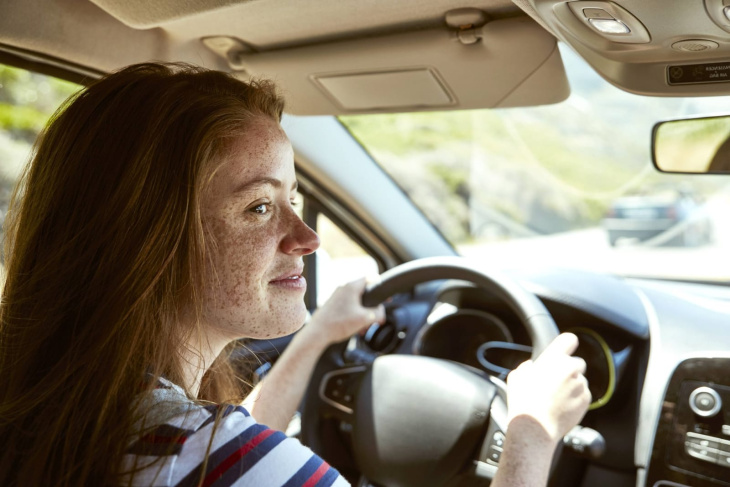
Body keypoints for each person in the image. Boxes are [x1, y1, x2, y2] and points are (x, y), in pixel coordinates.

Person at [0, 63, 590, 487]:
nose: (306, 238)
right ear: (146, 245)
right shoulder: (204, 457)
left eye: (295, 200)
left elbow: (230, 452)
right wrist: (532, 431)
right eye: (259, 207)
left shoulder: (65, 415)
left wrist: (315, 336)